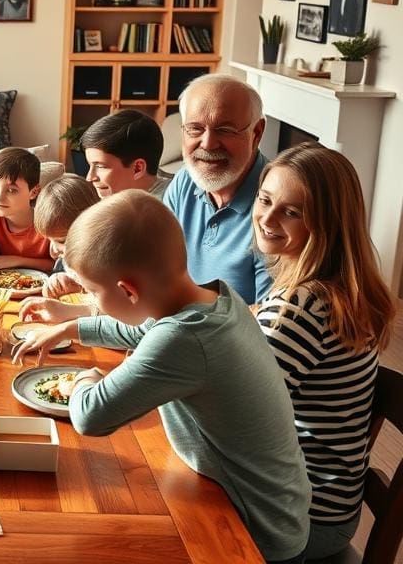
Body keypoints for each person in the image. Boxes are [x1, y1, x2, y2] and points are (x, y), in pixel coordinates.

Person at [13, 191, 311, 563]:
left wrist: (83, 378)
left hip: (252, 532)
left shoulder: (184, 339)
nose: (91, 297)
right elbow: (143, 328)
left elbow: (91, 416)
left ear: (127, 290)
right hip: (265, 504)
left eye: (92, 291)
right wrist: (72, 327)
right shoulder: (215, 298)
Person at [252, 144, 397, 559]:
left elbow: (239, 407)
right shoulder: (330, 291)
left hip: (299, 518)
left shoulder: (301, 307)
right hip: (330, 506)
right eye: (265, 200)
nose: (267, 218)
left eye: (291, 211)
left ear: (328, 223)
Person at [162, 73, 271, 304]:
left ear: (257, 133)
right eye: (195, 129)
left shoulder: (277, 206)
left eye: (225, 130)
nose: (208, 143)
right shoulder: (185, 180)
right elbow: (156, 270)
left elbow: (268, 321)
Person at [0, 148, 54, 274]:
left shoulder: (49, 222)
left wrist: (17, 261)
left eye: (12, 190)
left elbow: (59, 266)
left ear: (34, 192)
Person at [32, 174, 99, 299]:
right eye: (50, 241)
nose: (53, 252)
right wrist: (57, 283)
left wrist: (82, 289)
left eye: (61, 242)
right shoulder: (65, 262)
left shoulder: (106, 267)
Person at [81, 111, 169, 200]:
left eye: (101, 166)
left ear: (137, 168)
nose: (90, 177)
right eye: (90, 165)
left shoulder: (164, 208)